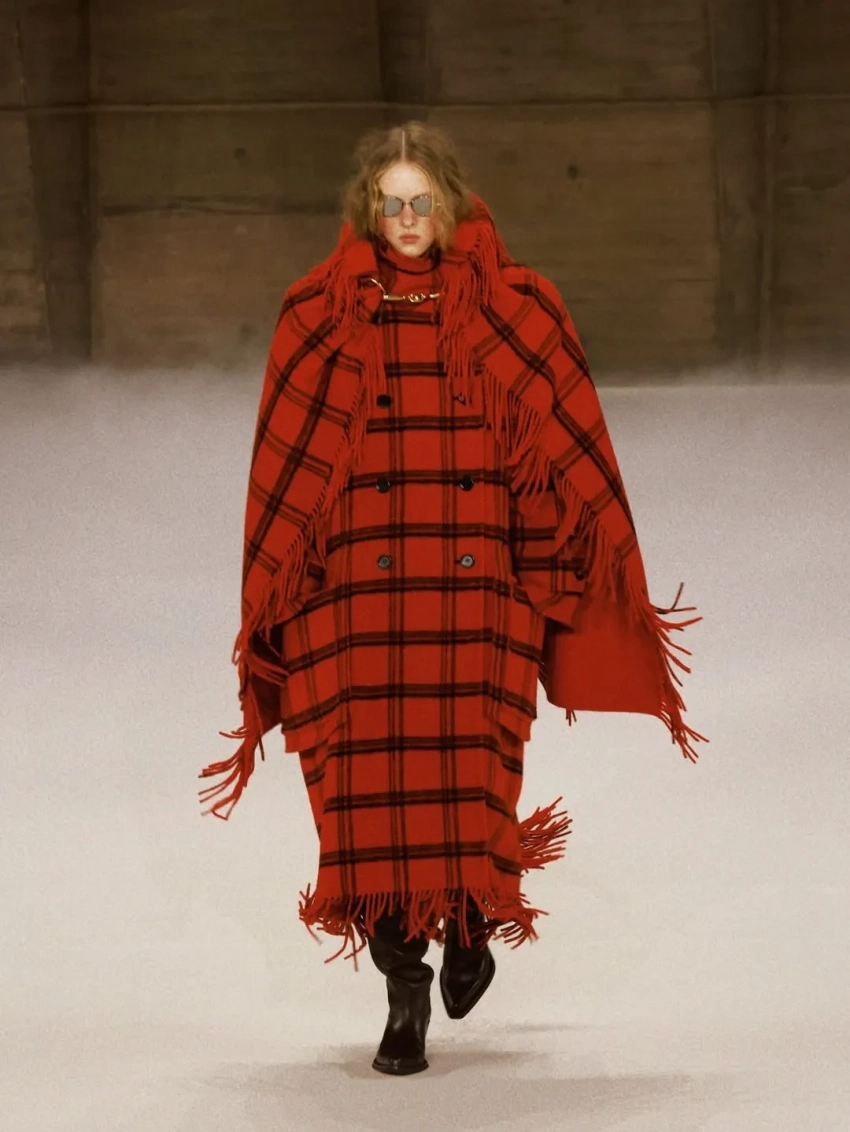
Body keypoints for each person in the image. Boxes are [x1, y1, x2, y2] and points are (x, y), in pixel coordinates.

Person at [199, 121, 705, 1076]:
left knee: (476, 782)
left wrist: (546, 578)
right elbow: (284, 477)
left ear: (450, 202)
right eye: (389, 202)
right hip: (357, 602)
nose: (405, 219)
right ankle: (404, 993)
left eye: (420, 200)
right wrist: (287, 599)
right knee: (362, 803)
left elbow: (559, 458)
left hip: (478, 599)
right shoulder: (316, 313)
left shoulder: (518, 307)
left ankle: (470, 929)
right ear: (367, 207)